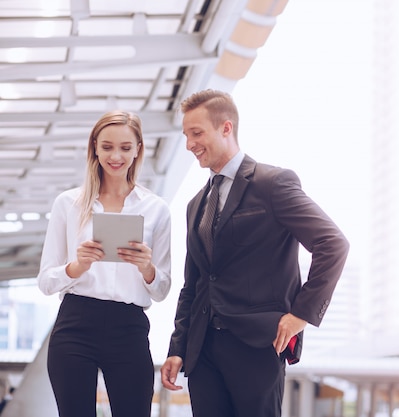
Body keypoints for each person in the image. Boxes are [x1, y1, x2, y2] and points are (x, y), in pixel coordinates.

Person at [160, 89, 350, 416]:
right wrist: (177, 347)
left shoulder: (272, 184)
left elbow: (333, 243)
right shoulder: (195, 206)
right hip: (202, 350)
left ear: (226, 128)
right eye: (186, 135)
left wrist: (301, 315)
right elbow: (194, 284)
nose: (189, 143)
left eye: (196, 133)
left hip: (257, 344)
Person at [37, 110, 172, 417]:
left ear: (138, 149)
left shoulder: (156, 209)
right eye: (107, 146)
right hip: (76, 323)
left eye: (125, 147)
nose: (116, 156)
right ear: (94, 147)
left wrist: (147, 268)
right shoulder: (68, 204)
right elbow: (45, 281)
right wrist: (76, 267)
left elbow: (162, 289)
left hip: (129, 328)